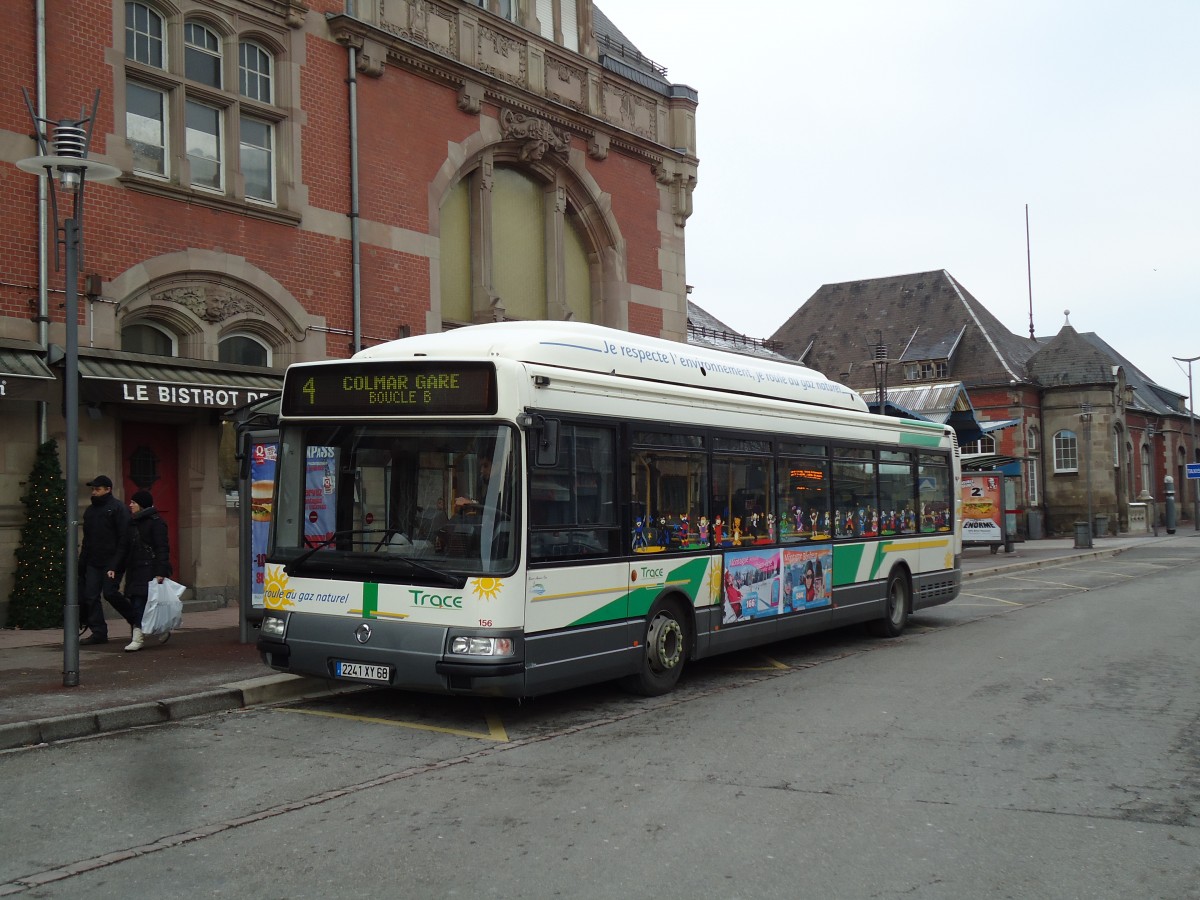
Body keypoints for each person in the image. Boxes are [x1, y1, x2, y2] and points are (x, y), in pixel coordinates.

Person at [111, 490, 172, 651]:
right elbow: (123, 547)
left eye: (133, 502)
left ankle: (141, 636)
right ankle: (141, 635)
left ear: (142, 504)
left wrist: (161, 571)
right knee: (138, 603)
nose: (130, 505)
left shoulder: (157, 522)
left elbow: (162, 548)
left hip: (150, 569)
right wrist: (114, 567)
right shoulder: (131, 523)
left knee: (146, 604)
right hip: (135, 569)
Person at [78, 475, 131, 645]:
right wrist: (82, 562)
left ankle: (135, 619)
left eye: (98, 489)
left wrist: (117, 562)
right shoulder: (91, 511)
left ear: (108, 489)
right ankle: (98, 632)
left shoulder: (118, 508)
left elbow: (124, 537)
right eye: (93, 489)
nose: (94, 492)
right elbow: (87, 539)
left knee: (110, 593)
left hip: (112, 561)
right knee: (90, 596)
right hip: (93, 560)